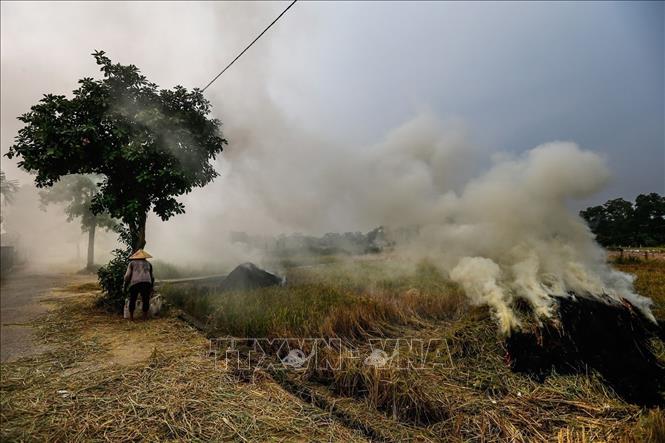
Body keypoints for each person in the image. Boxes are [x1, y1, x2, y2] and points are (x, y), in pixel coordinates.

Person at [123, 249, 154, 321]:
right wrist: (151, 286)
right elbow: (152, 277)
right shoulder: (149, 264)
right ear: (145, 257)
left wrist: (125, 284)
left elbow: (127, 276)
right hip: (147, 283)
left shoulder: (132, 263)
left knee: (132, 299)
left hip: (135, 283)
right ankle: (144, 317)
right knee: (145, 300)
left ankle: (131, 317)